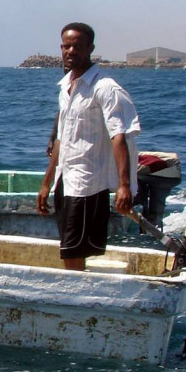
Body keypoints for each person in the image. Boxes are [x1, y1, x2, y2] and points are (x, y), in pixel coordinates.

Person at [37, 22, 141, 270]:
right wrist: (46, 183)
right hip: (67, 178)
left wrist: (123, 186)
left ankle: (77, 295)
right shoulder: (66, 87)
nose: (70, 51)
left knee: (74, 248)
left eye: (77, 46)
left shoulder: (105, 88)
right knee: (68, 246)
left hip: (87, 181)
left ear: (90, 48)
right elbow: (62, 139)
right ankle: (77, 290)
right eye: (66, 46)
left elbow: (119, 137)